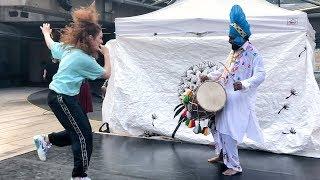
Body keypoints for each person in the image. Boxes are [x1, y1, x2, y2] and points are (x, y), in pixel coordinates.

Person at [32, 3, 111, 180]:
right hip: (62, 98)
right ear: (90, 38)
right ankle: (79, 176)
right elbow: (107, 73)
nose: (101, 42)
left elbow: (52, 45)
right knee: (83, 136)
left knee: (81, 132)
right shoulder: (82, 58)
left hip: (62, 97)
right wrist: (107, 54)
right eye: (99, 38)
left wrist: (46, 33)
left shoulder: (70, 49)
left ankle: (45, 140)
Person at [204, 5, 266, 176]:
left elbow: (261, 75)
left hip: (238, 99)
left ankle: (235, 165)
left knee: (229, 131)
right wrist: (208, 77)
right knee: (216, 126)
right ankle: (222, 155)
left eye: (232, 38)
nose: (229, 40)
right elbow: (225, 69)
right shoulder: (234, 52)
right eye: (229, 37)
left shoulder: (254, 54)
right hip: (223, 96)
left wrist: (244, 83)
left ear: (241, 37)